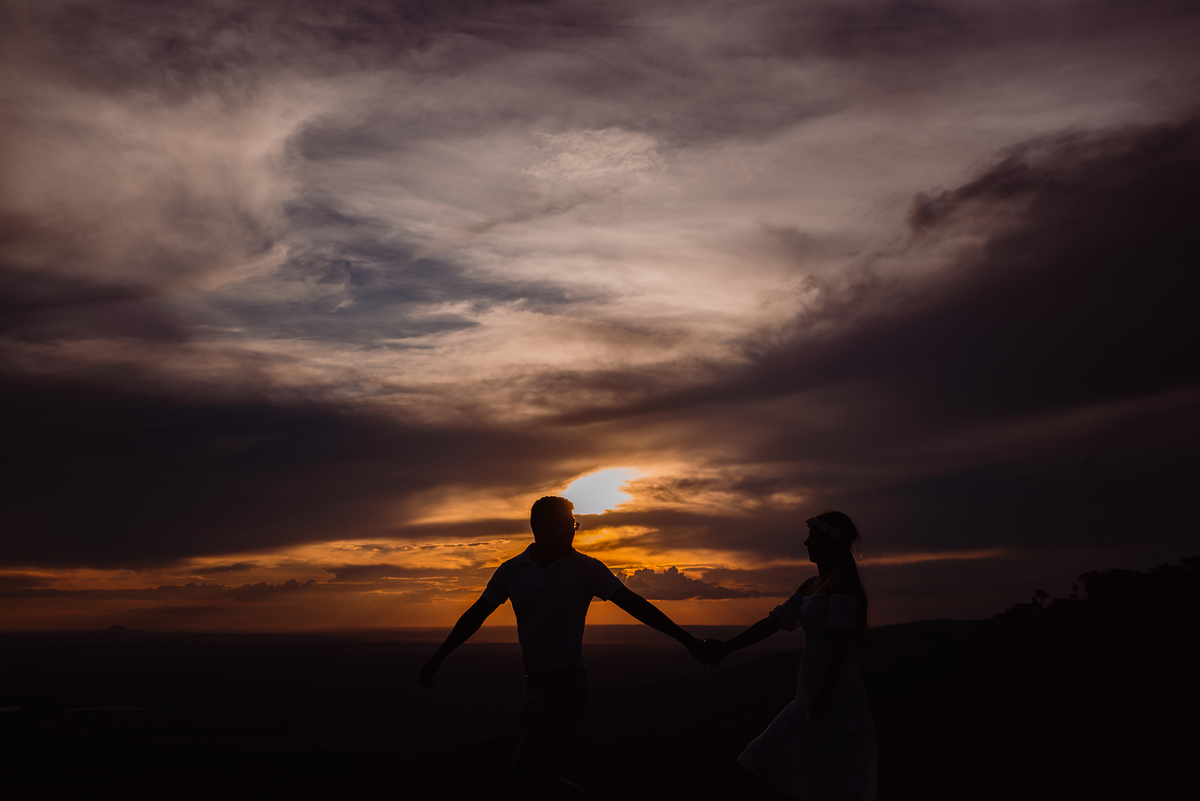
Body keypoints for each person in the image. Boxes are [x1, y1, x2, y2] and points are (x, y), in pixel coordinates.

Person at [419, 495, 713, 799]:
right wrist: (438, 658)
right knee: (547, 777)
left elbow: (636, 605)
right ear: (538, 526)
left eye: (573, 524)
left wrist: (688, 641)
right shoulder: (511, 571)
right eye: (564, 524)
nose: (572, 531)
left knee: (526, 772)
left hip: (567, 687)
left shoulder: (586, 568)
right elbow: (475, 616)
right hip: (534, 689)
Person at [704, 511, 878, 800]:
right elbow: (773, 622)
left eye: (814, 537)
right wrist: (727, 647)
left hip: (833, 692)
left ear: (831, 543)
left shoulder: (840, 581)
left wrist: (828, 688)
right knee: (785, 765)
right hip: (809, 692)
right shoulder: (809, 585)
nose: (806, 543)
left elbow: (841, 639)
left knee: (832, 779)